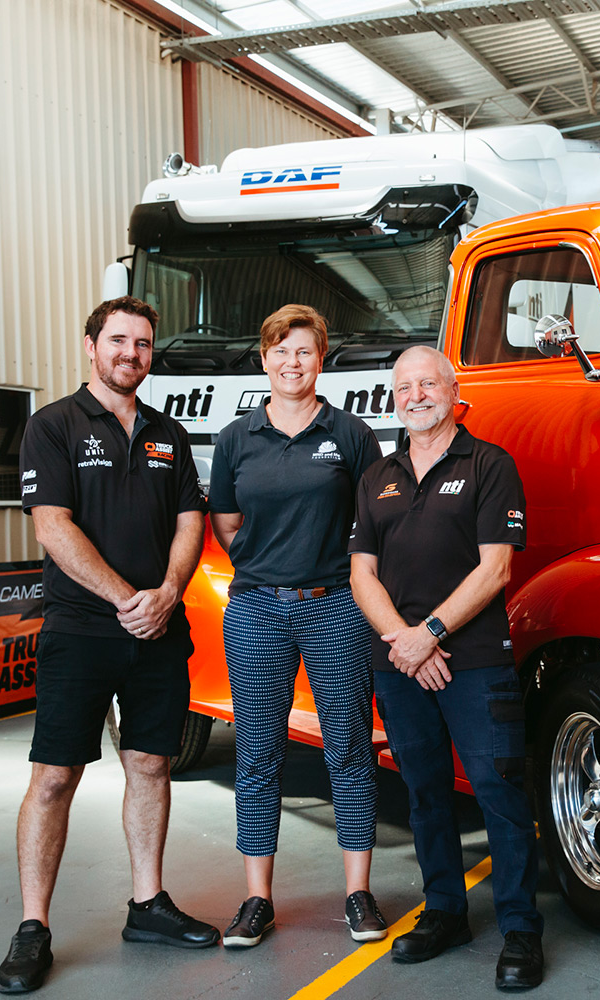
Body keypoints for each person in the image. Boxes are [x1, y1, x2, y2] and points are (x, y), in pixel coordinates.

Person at [0, 296, 216, 995]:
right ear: (91, 346)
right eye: (118, 340)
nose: (131, 353)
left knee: (151, 764)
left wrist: (169, 592)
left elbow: (190, 520)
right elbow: (52, 527)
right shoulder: (52, 426)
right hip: (82, 631)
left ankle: (147, 904)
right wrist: (127, 597)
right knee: (56, 775)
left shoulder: (167, 432)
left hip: (158, 631)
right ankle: (34, 926)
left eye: (143, 343)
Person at [348, 345, 544, 991]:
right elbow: (362, 574)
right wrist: (403, 643)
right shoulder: (378, 475)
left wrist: (429, 634)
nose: (415, 395)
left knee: (498, 794)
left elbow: (496, 567)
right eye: (404, 387)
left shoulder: (489, 465)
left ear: (452, 391)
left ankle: (520, 929)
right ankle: (444, 913)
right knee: (426, 795)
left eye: (426, 383)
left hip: (475, 663)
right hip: (398, 664)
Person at [208, 304, 386, 948]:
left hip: (335, 604)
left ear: (321, 358)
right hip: (256, 608)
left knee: (347, 749)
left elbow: (374, 522)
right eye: (281, 351)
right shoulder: (235, 439)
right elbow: (226, 522)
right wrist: (264, 565)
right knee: (257, 755)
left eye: (304, 351)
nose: (293, 362)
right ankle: (257, 900)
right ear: (265, 359)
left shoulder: (352, 434)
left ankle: (358, 894)